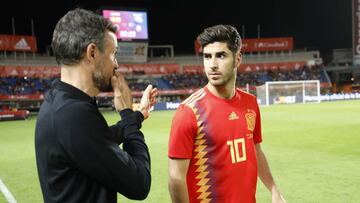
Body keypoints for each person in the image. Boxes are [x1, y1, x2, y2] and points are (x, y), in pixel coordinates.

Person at [35, 8, 157, 203]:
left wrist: (138, 116)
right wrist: (127, 115)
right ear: (92, 52)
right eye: (113, 54)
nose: (116, 64)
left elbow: (97, 141)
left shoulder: (58, 101)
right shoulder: (75, 114)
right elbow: (140, 183)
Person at [168, 24, 286, 203]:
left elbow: (255, 149)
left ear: (238, 59)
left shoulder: (251, 103)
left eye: (221, 56)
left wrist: (274, 189)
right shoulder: (189, 112)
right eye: (207, 57)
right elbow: (176, 178)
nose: (212, 65)